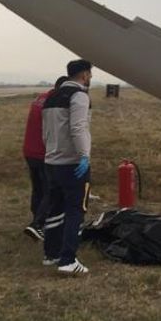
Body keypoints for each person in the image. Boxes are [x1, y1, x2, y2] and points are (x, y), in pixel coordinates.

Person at [41, 59, 93, 274]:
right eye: (89, 74)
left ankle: (51, 254)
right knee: (75, 211)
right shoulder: (79, 95)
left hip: (52, 161)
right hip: (72, 164)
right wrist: (84, 156)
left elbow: (46, 131)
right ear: (84, 75)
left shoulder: (51, 97)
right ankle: (68, 260)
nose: (90, 77)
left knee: (55, 209)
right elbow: (79, 127)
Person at [22, 75, 68, 241]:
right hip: (44, 153)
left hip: (29, 151)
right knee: (51, 189)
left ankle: (36, 220)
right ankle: (38, 225)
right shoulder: (55, 103)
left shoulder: (40, 98)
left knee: (38, 188)